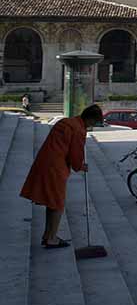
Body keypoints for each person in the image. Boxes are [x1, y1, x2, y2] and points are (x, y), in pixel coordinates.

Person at [20, 105, 103, 248]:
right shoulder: (78, 130)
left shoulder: (67, 122)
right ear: (90, 119)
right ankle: (51, 238)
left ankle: (48, 235)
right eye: (94, 122)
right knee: (57, 203)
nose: (92, 126)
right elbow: (75, 156)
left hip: (45, 161)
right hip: (55, 168)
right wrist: (81, 166)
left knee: (52, 202)